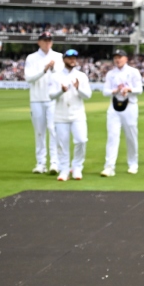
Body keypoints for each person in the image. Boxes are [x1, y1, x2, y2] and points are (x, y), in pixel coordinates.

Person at [23, 30, 64, 174]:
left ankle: (54, 162)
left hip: (52, 99)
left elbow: (61, 76)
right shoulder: (31, 58)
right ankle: (41, 163)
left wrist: (52, 69)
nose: (47, 43)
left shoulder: (58, 57)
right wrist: (43, 70)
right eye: (45, 40)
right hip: (36, 99)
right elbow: (29, 78)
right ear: (39, 42)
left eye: (49, 41)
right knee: (39, 132)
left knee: (53, 130)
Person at [49, 49, 92, 181]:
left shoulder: (81, 76)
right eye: (70, 58)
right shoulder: (55, 76)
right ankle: (64, 169)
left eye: (74, 57)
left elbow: (88, 95)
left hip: (77, 114)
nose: (72, 60)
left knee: (81, 140)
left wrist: (78, 88)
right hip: (60, 115)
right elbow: (51, 95)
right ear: (64, 60)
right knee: (62, 144)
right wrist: (61, 91)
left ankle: (77, 167)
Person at [101, 49, 143, 176]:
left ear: (126, 59)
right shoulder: (111, 74)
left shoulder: (133, 72)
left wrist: (129, 89)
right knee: (112, 136)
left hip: (130, 106)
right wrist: (114, 90)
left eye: (120, 57)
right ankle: (109, 166)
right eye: (115, 57)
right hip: (114, 107)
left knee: (131, 136)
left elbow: (139, 89)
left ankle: (133, 163)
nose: (117, 60)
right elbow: (105, 91)